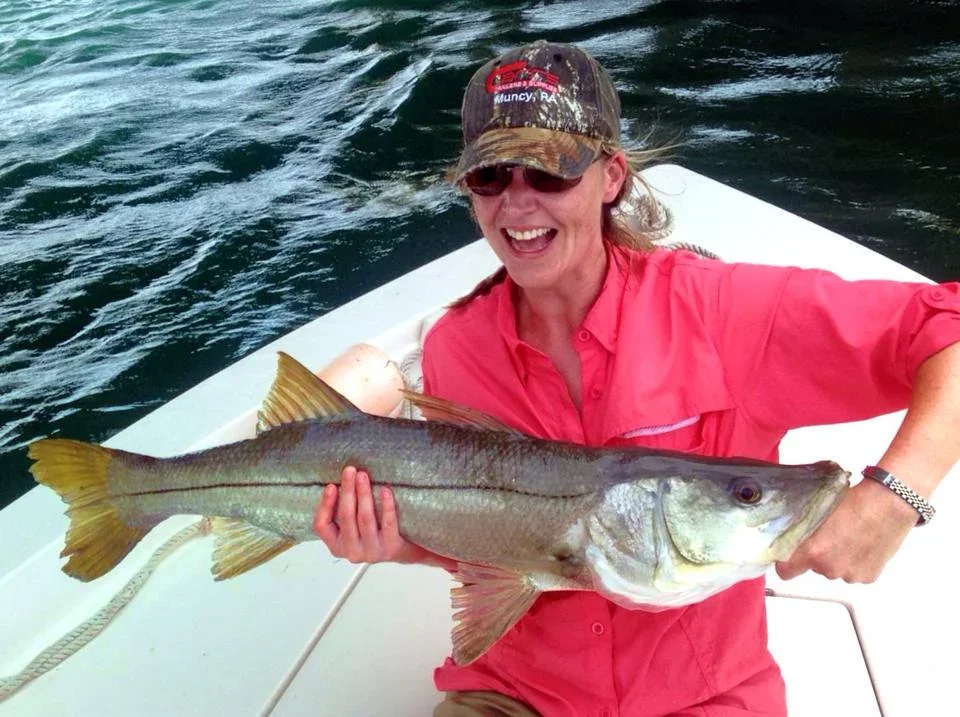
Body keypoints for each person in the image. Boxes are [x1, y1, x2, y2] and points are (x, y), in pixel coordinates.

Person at [313, 40, 960, 717]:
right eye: (492, 177)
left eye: (550, 174)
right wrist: (402, 541)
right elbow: (488, 547)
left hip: (700, 697)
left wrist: (895, 496)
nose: (517, 204)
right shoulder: (456, 347)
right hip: (515, 695)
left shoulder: (722, 311)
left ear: (612, 176)